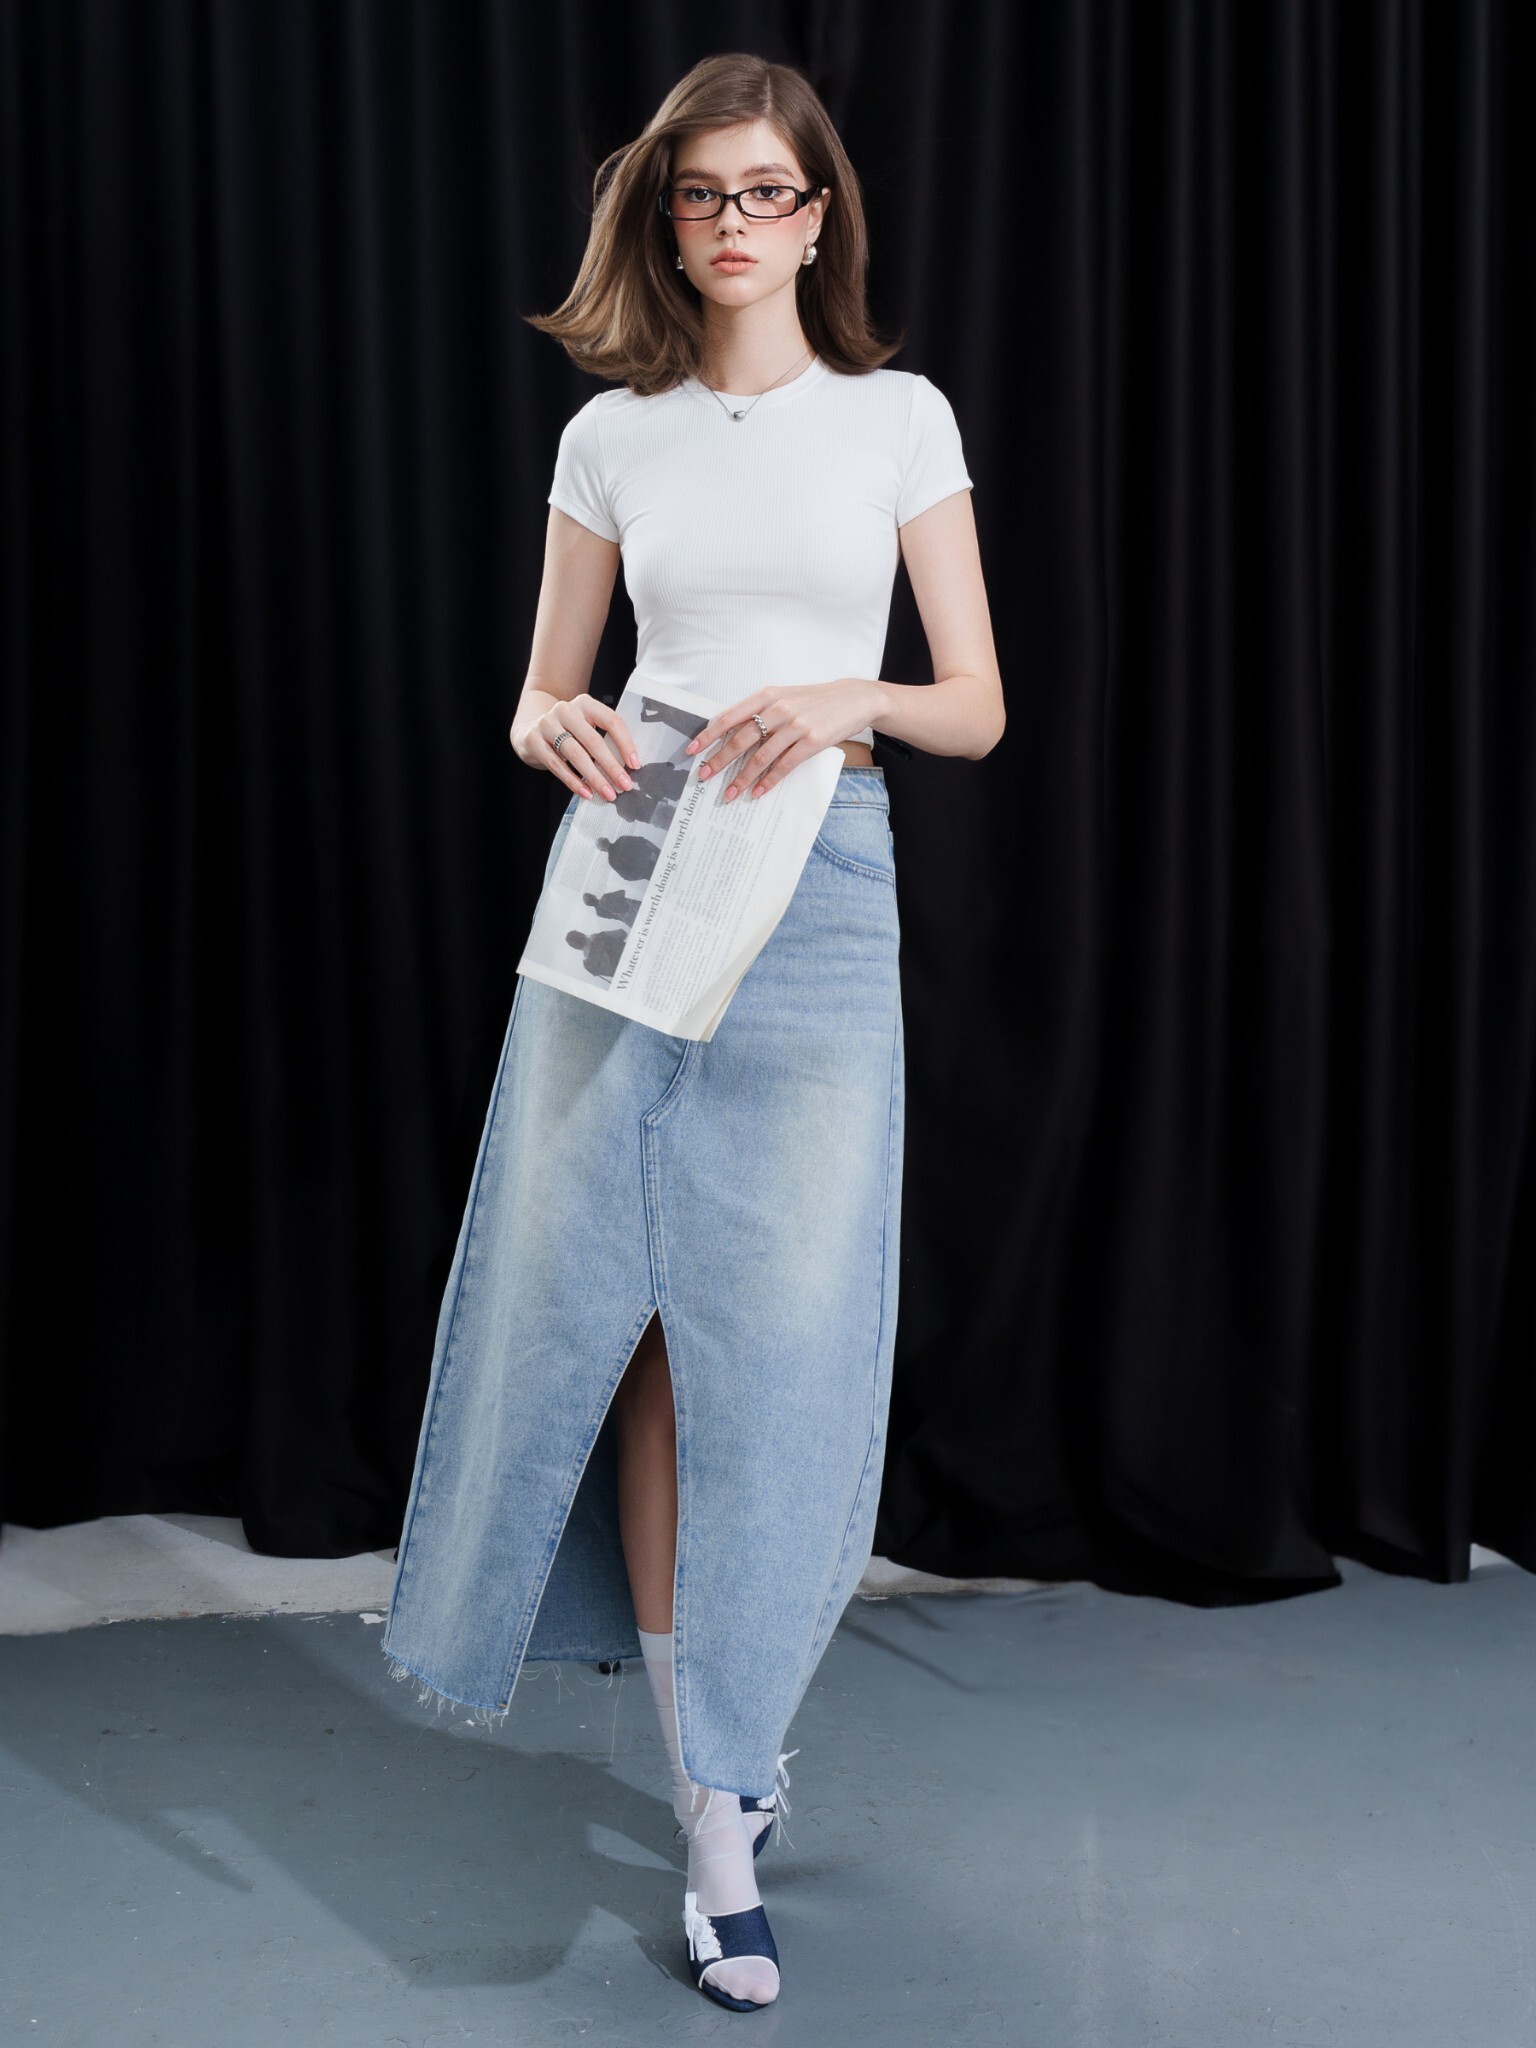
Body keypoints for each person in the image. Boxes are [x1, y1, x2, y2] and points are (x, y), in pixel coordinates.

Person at [380, 50, 1004, 2014]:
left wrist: (845, 699)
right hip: (636, 870)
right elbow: (540, 694)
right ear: (668, 218)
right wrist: (546, 725)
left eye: (767, 193)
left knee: (783, 1341)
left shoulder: (897, 417)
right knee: (612, 1312)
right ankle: (711, 1798)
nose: (735, 224)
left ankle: (736, 1761)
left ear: (820, 217)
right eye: (703, 195)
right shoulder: (613, 438)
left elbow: (976, 702)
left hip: (821, 880)